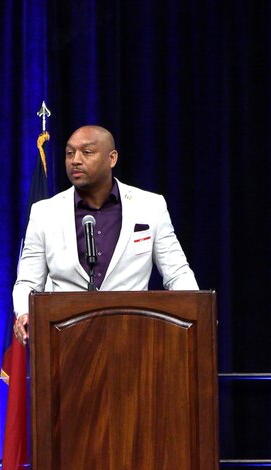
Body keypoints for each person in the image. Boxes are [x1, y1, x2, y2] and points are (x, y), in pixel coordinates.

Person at [12, 125, 198, 345]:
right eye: (69, 153)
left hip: (134, 339)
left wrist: (196, 312)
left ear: (112, 158)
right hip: (65, 343)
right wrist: (24, 312)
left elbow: (177, 273)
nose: (75, 160)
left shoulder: (150, 206)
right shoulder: (45, 212)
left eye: (87, 152)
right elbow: (28, 281)